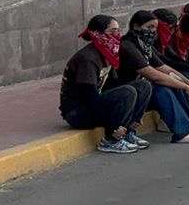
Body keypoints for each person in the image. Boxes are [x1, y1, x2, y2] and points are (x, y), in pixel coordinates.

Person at [112, 10, 189, 143]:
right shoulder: (128, 45)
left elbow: (163, 67)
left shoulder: (144, 45)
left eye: (155, 28)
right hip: (130, 94)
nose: (153, 31)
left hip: (142, 91)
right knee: (162, 89)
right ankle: (182, 132)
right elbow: (154, 75)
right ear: (136, 26)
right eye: (149, 27)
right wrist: (186, 87)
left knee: (175, 81)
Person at [60, 15, 153, 153]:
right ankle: (111, 139)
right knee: (127, 92)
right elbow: (89, 96)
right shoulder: (88, 58)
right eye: (112, 31)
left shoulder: (108, 53)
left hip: (94, 104)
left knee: (143, 86)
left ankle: (127, 132)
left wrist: (131, 116)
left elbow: (113, 84)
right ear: (97, 34)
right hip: (77, 112)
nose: (117, 35)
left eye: (118, 30)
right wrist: (114, 122)